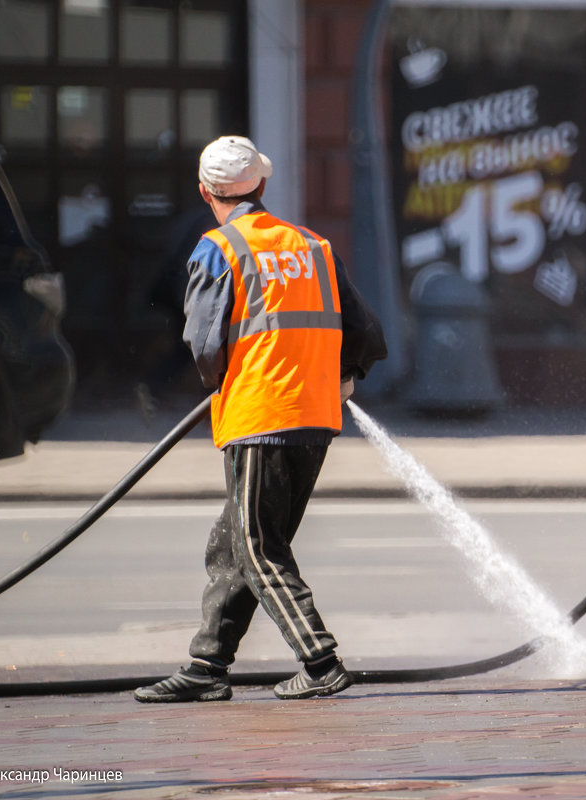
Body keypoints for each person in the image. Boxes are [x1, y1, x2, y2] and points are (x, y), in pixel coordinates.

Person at [134, 136, 387, 702]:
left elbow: (202, 347)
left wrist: (221, 375)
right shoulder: (315, 246)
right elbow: (368, 336)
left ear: (206, 192)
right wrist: (346, 375)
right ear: (263, 186)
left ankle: (320, 661)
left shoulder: (218, 248)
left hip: (260, 416)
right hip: (315, 419)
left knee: (257, 547)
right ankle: (208, 666)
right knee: (234, 545)